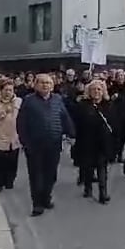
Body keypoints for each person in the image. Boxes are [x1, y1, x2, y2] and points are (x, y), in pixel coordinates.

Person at [16, 74, 76, 217]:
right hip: (34, 144)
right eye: (42, 83)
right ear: (35, 85)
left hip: (54, 143)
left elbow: (65, 117)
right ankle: (37, 204)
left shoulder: (57, 99)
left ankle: (46, 197)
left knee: (51, 174)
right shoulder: (28, 101)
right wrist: (25, 142)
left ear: (52, 85)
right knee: (36, 175)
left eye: (48, 83)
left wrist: (71, 133)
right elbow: (21, 123)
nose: (45, 85)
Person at [73, 80, 114, 204]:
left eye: (99, 89)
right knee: (88, 167)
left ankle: (103, 193)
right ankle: (88, 187)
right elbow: (78, 123)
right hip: (87, 141)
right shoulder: (83, 105)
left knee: (102, 168)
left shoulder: (108, 105)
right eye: (93, 89)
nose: (96, 92)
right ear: (89, 92)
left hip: (103, 142)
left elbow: (114, 123)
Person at [0, 79, 22, 193]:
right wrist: (1, 114)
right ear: (1, 90)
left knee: (12, 161)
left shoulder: (19, 102)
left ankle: (9, 181)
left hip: (14, 136)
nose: (8, 92)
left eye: (10, 90)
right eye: (6, 90)